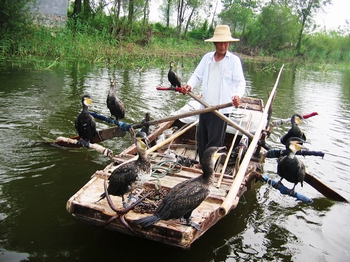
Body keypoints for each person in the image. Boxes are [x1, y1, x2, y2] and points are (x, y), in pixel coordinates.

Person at [182, 24, 246, 167]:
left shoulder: (234, 61)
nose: (222, 46)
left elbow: (240, 83)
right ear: (215, 43)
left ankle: (209, 167)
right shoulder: (207, 58)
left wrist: (238, 96)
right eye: (220, 42)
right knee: (202, 137)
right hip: (205, 105)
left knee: (214, 141)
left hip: (221, 108)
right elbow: (197, 75)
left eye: (225, 42)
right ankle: (202, 163)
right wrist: (189, 85)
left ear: (229, 43)